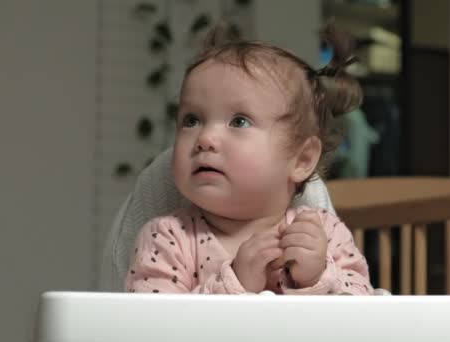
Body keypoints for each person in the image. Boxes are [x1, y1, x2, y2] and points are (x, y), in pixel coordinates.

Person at [125, 25, 373, 295]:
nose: (205, 138)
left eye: (239, 121)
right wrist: (233, 284)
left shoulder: (324, 233)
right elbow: (150, 326)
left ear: (302, 159)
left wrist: (318, 277)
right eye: (192, 120)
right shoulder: (168, 238)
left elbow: (368, 318)